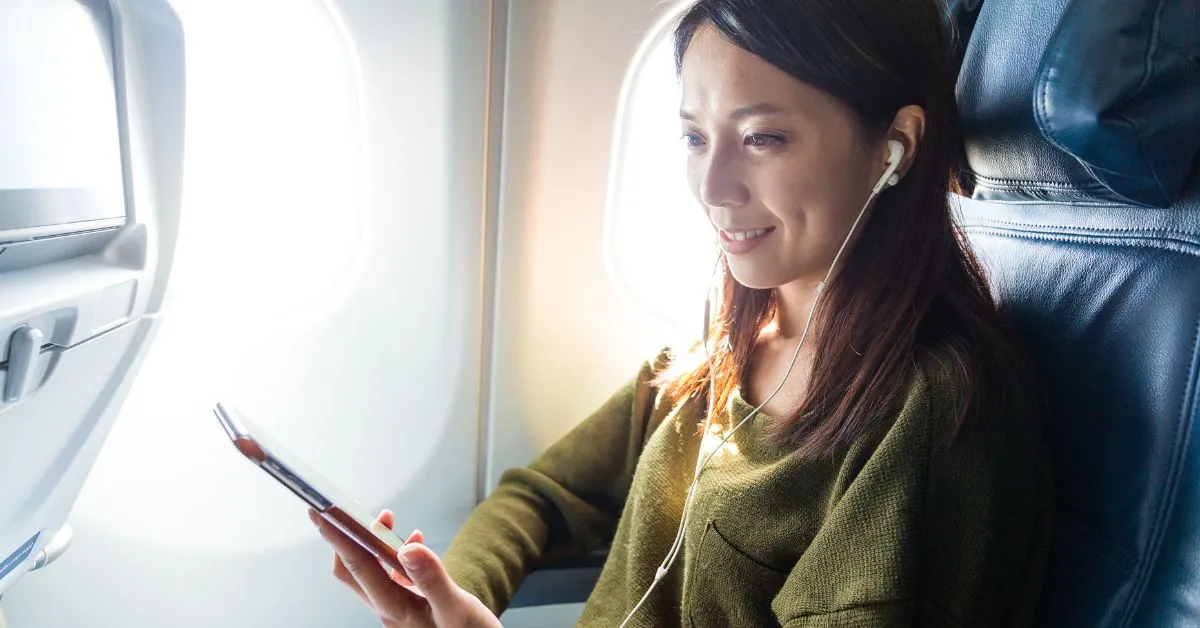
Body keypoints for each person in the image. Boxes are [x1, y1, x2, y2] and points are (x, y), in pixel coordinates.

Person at [310, 0, 1054, 625]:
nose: (714, 185)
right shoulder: (721, 354)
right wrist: (449, 596)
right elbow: (543, 494)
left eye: (763, 138)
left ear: (894, 146)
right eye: (695, 137)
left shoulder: (933, 417)